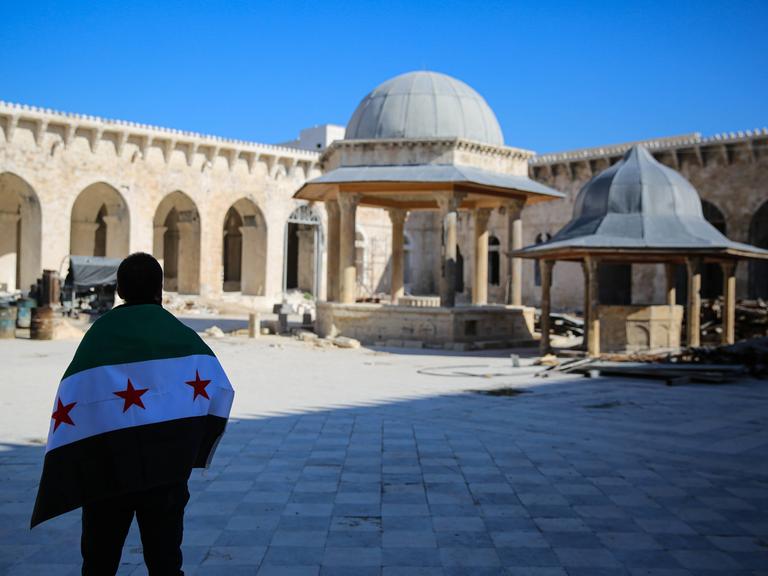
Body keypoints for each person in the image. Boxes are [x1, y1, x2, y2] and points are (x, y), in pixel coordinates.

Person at [31, 253, 234, 576]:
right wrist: (190, 451)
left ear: (120, 290)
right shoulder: (180, 334)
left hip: (107, 471)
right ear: (160, 291)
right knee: (165, 562)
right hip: (165, 472)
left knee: (99, 562)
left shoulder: (100, 334)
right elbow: (218, 390)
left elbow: (75, 397)